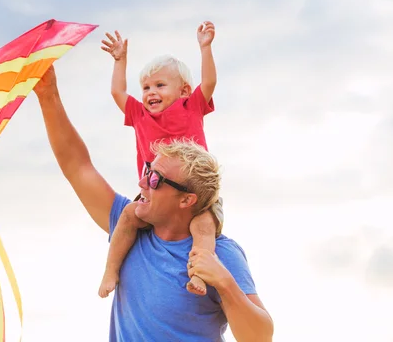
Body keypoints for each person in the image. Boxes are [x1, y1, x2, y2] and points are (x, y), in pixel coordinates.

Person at [33, 65, 273, 342]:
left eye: (156, 179)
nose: (142, 183)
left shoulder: (221, 254)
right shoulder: (130, 230)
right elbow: (77, 166)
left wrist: (225, 284)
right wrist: (47, 94)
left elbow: (260, 337)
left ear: (187, 199)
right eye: (148, 172)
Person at [98, 21, 220, 298]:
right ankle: (111, 270)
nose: (151, 92)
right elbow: (117, 93)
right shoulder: (139, 114)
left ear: (184, 91)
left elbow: (210, 82)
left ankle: (199, 274)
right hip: (154, 193)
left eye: (160, 85)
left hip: (194, 191)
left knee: (203, 225)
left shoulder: (191, 106)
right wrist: (120, 60)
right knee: (128, 216)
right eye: (146, 87)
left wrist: (205, 48)